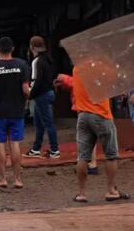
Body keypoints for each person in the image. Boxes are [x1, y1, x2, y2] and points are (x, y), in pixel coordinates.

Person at [55, 66, 127, 202]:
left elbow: (75, 85)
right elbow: (116, 84)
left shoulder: (77, 69)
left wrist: (65, 79)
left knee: (83, 157)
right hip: (101, 114)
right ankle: (111, 190)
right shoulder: (104, 68)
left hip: (82, 116)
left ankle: (82, 193)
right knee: (111, 155)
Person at [0, 37, 30, 190]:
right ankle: (18, 179)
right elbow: (25, 90)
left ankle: (2, 179)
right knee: (15, 144)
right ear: (13, 48)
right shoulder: (22, 65)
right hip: (17, 110)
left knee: (0, 144)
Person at [25, 36, 60, 159]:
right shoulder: (48, 60)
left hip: (41, 95)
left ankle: (55, 149)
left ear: (32, 47)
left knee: (47, 123)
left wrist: (30, 94)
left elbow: (36, 80)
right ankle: (36, 148)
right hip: (49, 92)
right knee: (39, 122)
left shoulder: (36, 61)